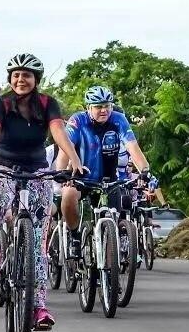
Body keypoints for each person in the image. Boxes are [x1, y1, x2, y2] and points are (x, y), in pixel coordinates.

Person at [0, 53, 84, 330]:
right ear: (10, 78)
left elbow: (58, 132)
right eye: (16, 75)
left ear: (36, 80)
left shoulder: (47, 104)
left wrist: (74, 160)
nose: (21, 79)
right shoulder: (1, 103)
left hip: (37, 170)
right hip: (5, 167)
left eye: (27, 75)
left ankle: (40, 307)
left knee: (38, 244)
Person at [56, 86, 151, 259]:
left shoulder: (119, 119)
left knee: (111, 226)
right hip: (82, 177)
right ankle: (75, 236)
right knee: (68, 195)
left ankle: (108, 272)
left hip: (109, 179)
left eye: (107, 105)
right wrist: (62, 173)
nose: (104, 110)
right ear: (88, 107)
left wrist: (144, 171)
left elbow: (133, 148)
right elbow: (65, 149)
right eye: (98, 106)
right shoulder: (78, 120)